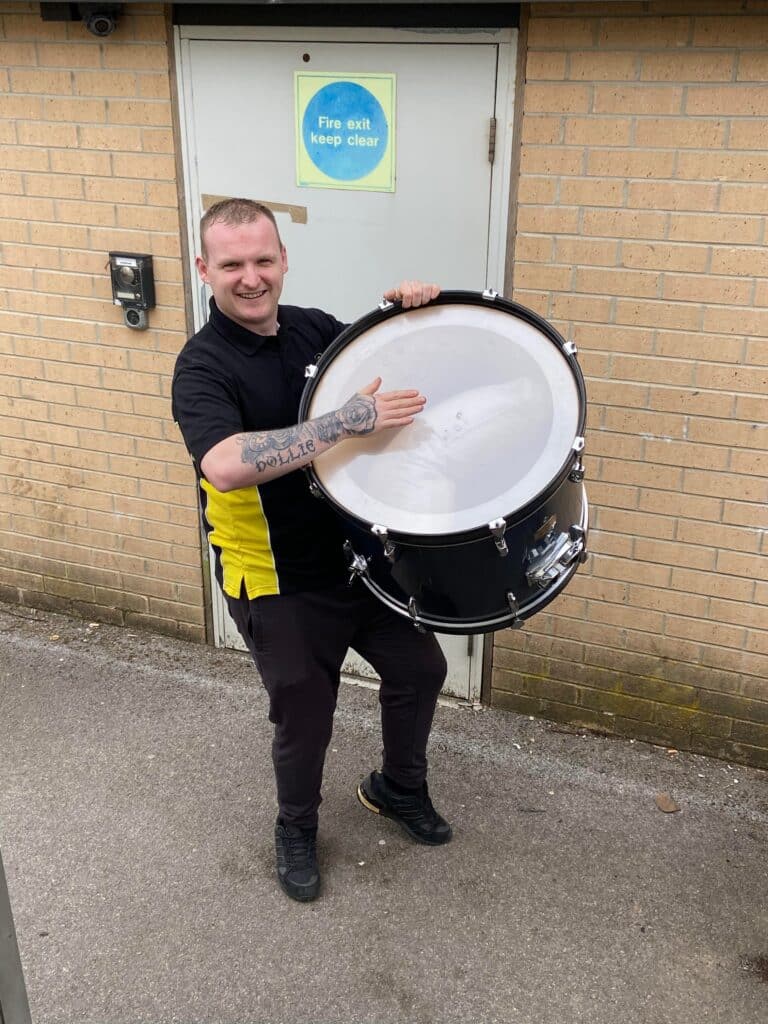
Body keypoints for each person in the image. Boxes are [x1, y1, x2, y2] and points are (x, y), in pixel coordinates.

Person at [172, 198, 452, 903]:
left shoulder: (315, 329)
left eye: (263, 260)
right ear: (204, 269)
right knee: (305, 710)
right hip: (276, 576)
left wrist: (406, 312)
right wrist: (347, 420)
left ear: (284, 260)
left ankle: (398, 787)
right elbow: (225, 464)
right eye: (232, 264)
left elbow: (388, 375)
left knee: (421, 668)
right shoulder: (201, 366)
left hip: (356, 558)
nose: (251, 277)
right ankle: (296, 826)